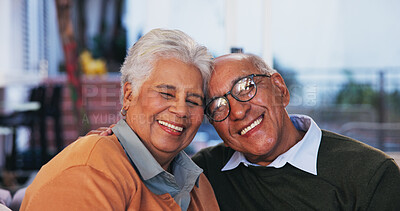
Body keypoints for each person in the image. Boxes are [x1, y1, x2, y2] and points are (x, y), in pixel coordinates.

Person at [20, 29, 219, 210]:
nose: (181, 110)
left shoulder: (199, 185)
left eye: (193, 100)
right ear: (129, 95)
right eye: (166, 94)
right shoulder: (89, 171)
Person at [191, 53, 400, 210]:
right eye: (217, 106)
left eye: (246, 87)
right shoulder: (203, 172)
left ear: (280, 90)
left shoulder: (370, 174)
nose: (237, 111)